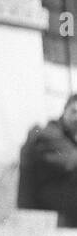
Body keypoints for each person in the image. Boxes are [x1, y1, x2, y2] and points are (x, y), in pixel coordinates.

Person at [20, 92, 77, 227]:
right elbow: (68, 162)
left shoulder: (70, 136)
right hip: (46, 201)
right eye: (74, 111)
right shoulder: (48, 133)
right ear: (64, 111)